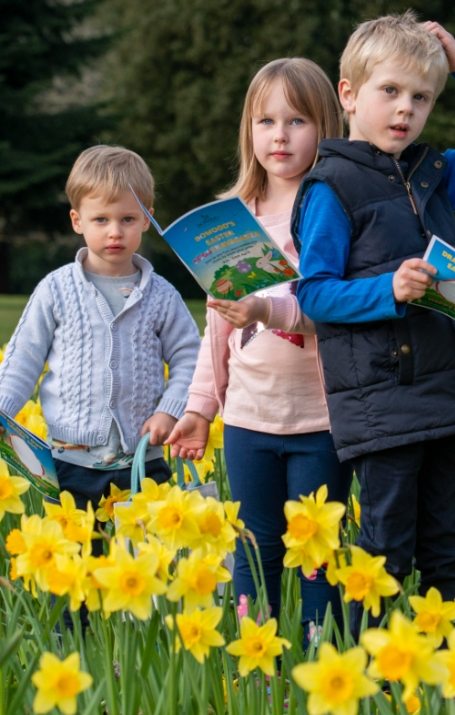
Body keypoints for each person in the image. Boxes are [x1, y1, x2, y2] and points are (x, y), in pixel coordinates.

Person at [292, 11, 455, 624]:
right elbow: (314, 295)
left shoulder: (434, 177)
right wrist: (388, 288)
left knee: (448, 553)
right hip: (385, 406)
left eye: (421, 98)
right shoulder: (330, 187)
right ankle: (370, 682)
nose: (405, 110)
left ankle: (454, 682)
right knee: (385, 559)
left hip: (449, 398)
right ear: (348, 94)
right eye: (390, 91)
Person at [164, 58, 350, 638]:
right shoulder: (232, 221)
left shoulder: (333, 215)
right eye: (265, 121)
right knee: (253, 548)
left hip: (322, 420)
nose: (279, 135)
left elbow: (342, 314)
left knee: (318, 553)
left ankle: (325, 663)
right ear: (249, 130)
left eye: (297, 121)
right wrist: (198, 411)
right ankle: (257, 662)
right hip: (248, 421)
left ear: (326, 127)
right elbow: (216, 330)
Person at [0, 145, 201, 515]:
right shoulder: (56, 289)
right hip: (71, 464)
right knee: (79, 563)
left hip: (142, 463)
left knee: (144, 564)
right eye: (101, 220)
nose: (115, 232)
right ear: (77, 220)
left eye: (128, 219)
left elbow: (190, 358)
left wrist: (170, 411)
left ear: (147, 219)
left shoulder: (162, 295)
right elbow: (25, 356)